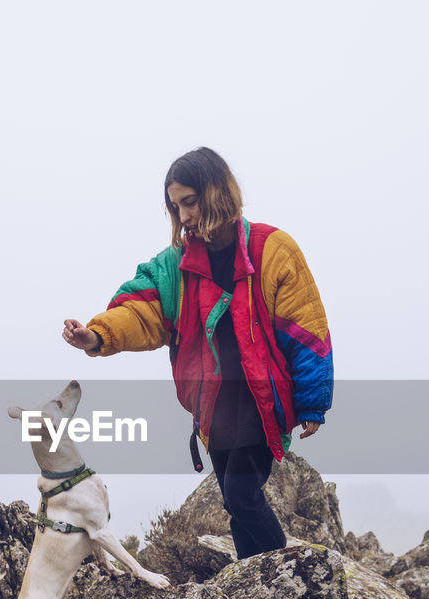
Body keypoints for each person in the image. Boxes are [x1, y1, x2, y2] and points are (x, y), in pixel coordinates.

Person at [62, 147, 332, 559]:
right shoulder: (176, 266)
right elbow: (143, 309)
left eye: (190, 202)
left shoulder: (272, 249)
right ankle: (254, 581)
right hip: (214, 407)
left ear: (217, 192)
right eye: (176, 206)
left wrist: (312, 402)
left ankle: (296, 577)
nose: (184, 216)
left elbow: (304, 326)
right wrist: (98, 335)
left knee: (242, 496)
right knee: (233, 501)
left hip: (260, 401)